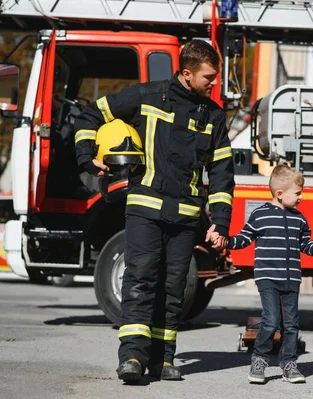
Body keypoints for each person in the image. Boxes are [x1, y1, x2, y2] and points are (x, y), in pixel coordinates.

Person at [73, 39, 233, 383]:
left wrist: (220, 222)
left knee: (174, 287)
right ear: (187, 73)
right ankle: (132, 355)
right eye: (209, 77)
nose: (214, 83)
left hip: (186, 215)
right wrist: (87, 158)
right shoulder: (148, 95)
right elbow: (92, 114)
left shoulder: (214, 116)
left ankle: (163, 358)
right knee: (140, 279)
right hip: (144, 209)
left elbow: (222, 173)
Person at [211, 164, 313, 384]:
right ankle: (259, 360)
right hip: (268, 277)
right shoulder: (260, 215)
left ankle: (288, 364)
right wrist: (226, 241)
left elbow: (305, 244)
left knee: (292, 324)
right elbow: (243, 239)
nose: (301, 197)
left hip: (292, 278)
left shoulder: (299, 219)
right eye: (297, 193)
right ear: (279, 193)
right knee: (271, 320)